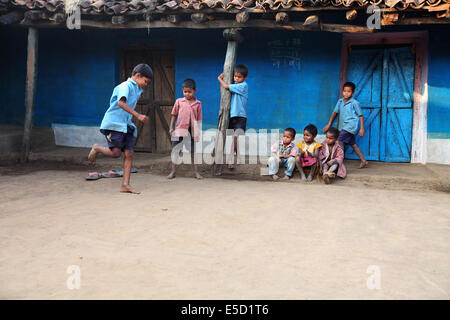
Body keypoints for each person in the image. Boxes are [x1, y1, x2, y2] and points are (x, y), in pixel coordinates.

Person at [88, 63, 153, 194]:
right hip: (114, 123)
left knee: (129, 154)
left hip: (126, 124)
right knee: (116, 154)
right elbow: (121, 103)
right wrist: (138, 115)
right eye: (145, 81)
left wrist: (132, 117)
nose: (146, 84)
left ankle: (125, 185)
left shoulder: (138, 90)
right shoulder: (125, 86)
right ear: (138, 76)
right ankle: (97, 148)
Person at [323, 81, 369, 168]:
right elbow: (334, 112)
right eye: (344, 91)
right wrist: (329, 124)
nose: (346, 93)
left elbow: (361, 116)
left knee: (337, 141)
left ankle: (336, 160)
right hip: (342, 127)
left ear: (353, 92)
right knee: (353, 144)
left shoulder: (354, 103)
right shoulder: (340, 101)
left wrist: (362, 129)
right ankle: (363, 160)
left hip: (350, 127)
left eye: (349, 91)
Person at [167, 78, 203, 180]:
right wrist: (171, 127)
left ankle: (196, 172)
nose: (187, 94)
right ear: (182, 91)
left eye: (189, 92)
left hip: (191, 132)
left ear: (195, 91)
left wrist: (198, 132)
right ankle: (173, 171)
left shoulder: (198, 104)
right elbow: (174, 115)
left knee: (193, 152)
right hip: (179, 130)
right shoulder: (179, 101)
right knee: (176, 151)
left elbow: (199, 119)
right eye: (185, 92)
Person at [217, 64, 249, 171]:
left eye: (239, 77)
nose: (236, 78)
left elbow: (226, 86)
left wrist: (219, 79)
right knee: (232, 138)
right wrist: (223, 83)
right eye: (235, 76)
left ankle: (231, 159)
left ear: (245, 77)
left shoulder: (243, 85)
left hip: (240, 116)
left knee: (235, 137)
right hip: (231, 116)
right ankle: (234, 157)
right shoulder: (234, 85)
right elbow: (224, 92)